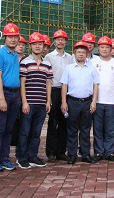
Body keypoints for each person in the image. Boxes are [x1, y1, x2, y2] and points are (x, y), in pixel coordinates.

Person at [60, 41, 100, 164]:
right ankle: (72, 154)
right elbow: (64, 85)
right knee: (72, 129)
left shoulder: (91, 69)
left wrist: (94, 102)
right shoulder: (69, 68)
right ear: (74, 53)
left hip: (87, 102)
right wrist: (63, 102)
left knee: (85, 130)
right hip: (72, 102)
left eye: (83, 52)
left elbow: (96, 85)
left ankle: (85, 154)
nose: (81, 54)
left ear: (87, 54)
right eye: (79, 52)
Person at [18, 32, 53, 169]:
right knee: (25, 131)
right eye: (35, 44)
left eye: (40, 44)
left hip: (41, 103)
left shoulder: (47, 64)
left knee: (36, 132)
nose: (38, 46)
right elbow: (22, 83)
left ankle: (33, 156)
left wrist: (48, 101)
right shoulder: (25, 62)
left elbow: (48, 83)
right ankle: (22, 157)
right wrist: (24, 102)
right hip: (29, 102)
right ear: (30, 46)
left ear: (43, 46)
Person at [0, 23, 22, 173]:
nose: (13, 39)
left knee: (9, 129)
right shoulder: (0, 54)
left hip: (15, 94)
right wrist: (2, 98)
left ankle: (4, 158)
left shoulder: (15, 55)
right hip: (4, 93)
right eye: (10, 37)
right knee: (0, 128)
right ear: (5, 38)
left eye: (15, 37)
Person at [90, 36, 114, 161]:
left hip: (111, 102)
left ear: (111, 49)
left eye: (107, 47)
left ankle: (109, 152)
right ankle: (98, 152)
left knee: (110, 129)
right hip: (97, 101)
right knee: (98, 129)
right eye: (102, 47)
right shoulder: (93, 62)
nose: (104, 49)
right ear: (98, 48)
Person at [44, 29, 72, 163]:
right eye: (58, 39)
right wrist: (48, 97)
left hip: (67, 92)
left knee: (64, 122)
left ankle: (61, 151)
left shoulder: (70, 58)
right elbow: (47, 78)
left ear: (66, 42)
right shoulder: (49, 57)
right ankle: (50, 152)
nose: (60, 41)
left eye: (63, 39)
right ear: (54, 41)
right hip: (54, 91)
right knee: (53, 122)